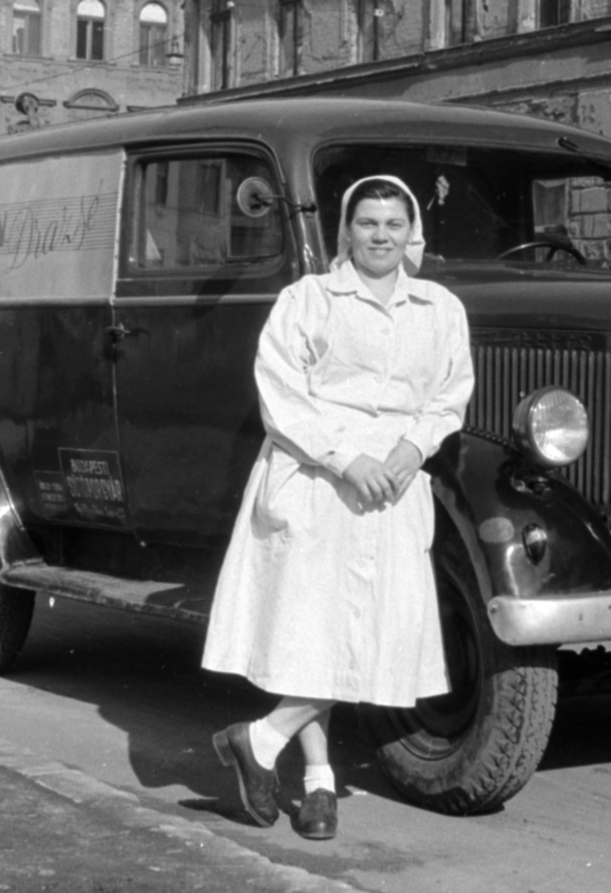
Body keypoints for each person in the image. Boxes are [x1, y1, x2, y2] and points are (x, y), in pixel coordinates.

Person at [202, 175, 474, 840]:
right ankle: (319, 785)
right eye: (367, 223)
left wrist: (408, 453)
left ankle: (261, 741)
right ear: (345, 232)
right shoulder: (309, 298)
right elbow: (281, 393)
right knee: (319, 632)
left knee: (367, 632)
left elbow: (449, 392)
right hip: (318, 478)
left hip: (393, 487)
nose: (380, 235)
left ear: (412, 233)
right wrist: (346, 459)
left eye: (392, 223)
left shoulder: (440, 308)